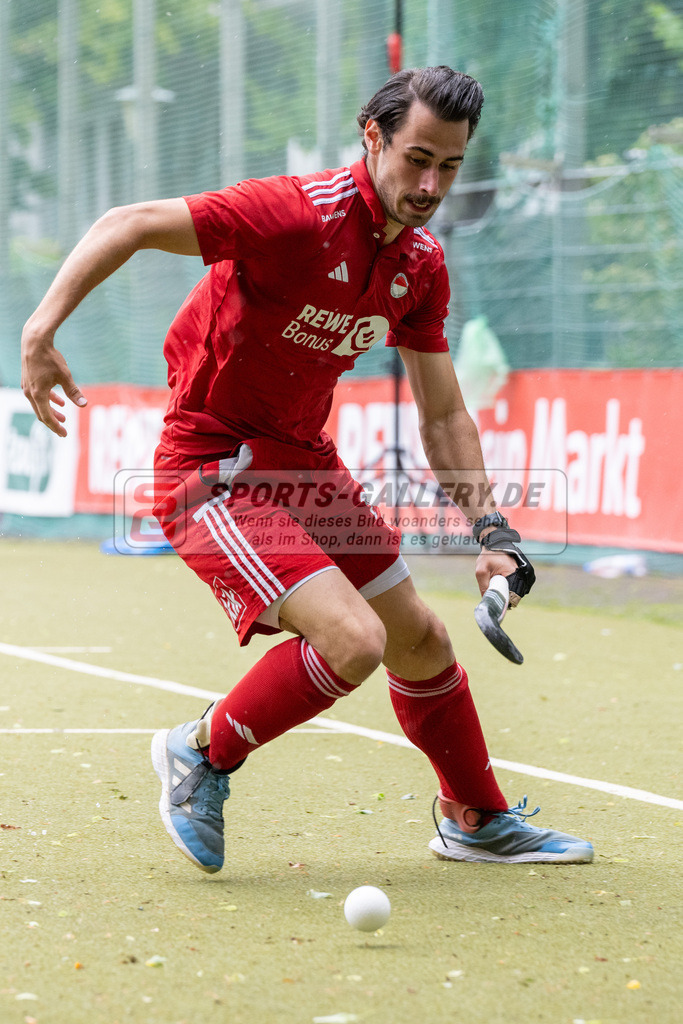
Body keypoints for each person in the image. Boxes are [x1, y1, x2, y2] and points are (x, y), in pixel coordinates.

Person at [21, 66, 593, 872]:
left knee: (420, 639)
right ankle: (200, 753)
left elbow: (441, 414)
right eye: (417, 159)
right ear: (373, 137)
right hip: (211, 466)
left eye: (449, 166)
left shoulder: (421, 262)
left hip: (306, 468)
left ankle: (473, 818)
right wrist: (40, 332)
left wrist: (491, 531)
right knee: (354, 640)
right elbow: (130, 221)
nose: (430, 186)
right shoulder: (293, 214)